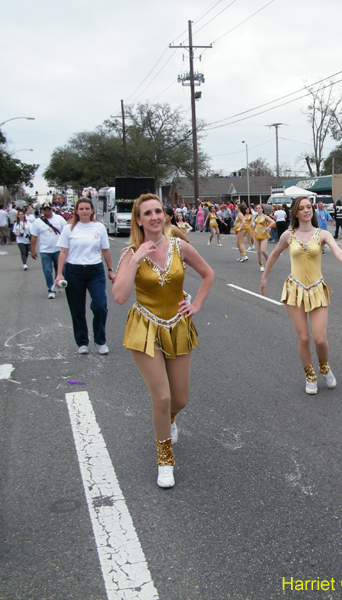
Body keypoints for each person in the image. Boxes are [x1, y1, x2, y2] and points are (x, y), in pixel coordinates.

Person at [112, 194, 214, 488]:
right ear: (139, 220)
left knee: (180, 399)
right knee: (162, 396)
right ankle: (165, 459)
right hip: (145, 328)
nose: (155, 216)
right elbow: (119, 296)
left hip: (178, 325)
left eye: (159, 211)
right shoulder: (129, 252)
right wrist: (137, 258)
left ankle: (168, 421)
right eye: (148, 213)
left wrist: (195, 305)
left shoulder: (179, 246)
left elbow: (208, 274)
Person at [260, 196, 342, 394]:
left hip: (316, 289)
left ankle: (324, 366)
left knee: (319, 339)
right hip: (294, 290)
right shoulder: (288, 235)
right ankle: (310, 375)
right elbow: (273, 255)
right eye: (302, 208)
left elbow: (339, 252)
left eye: (309, 207)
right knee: (304, 338)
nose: (306, 210)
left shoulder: (322, 234)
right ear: (296, 212)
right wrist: (264, 278)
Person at [54, 198, 115, 355]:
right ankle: (82, 342)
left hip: (95, 270)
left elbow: (105, 250)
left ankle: (100, 341)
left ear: (92, 210)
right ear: (76, 211)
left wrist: (110, 269)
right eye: (81, 209)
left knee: (100, 306)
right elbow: (63, 252)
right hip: (74, 271)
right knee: (77, 308)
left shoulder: (99, 227)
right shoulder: (69, 229)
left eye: (87, 208)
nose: (84, 211)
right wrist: (59, 273)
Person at [30, 204, 68, 299]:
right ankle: (51, 289)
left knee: (61, 270)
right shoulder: (37, 222)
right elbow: (34, 237)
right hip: (45, 251)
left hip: (59, 250)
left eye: (49, 209)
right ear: (41, 211)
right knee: (47, 271)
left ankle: (57, 283)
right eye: (45, 209)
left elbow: (67, 231)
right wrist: (32, 250)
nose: (47, 210)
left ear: (52, 209)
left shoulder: (59, 219)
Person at [251, 203, 276, 272]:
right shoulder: (256, 217)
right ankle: (261, 265)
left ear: (262, 209)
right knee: (258, 251)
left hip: (263, 234)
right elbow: (255, 225)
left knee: (263, 250)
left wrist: (268, 227)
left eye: (259, 208)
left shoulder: (264, 216)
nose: (258, 209)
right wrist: (252, 231)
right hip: (256, 234)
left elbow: (273, 222)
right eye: (257, 208)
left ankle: (269, 263)